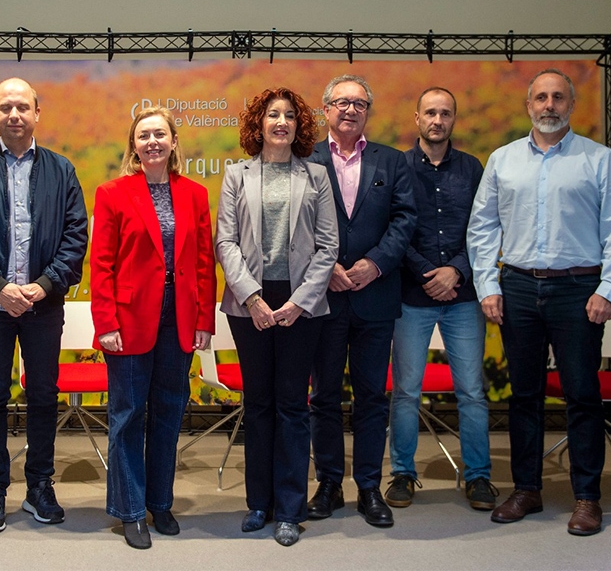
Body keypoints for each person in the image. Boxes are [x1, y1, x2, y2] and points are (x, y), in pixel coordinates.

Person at [467, 68, 611, 537]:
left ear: (570, 105)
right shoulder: (502, 160)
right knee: (524, 395)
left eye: (557, 97)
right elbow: (483, 228)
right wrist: (488, 285)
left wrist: (610, 290)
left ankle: (587, 498)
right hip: (518, 287)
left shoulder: (599, 160)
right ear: (528, 105)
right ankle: (527, 490)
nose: (548, 105)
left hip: (579, 291)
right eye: (540, 97)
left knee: (582, 393)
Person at [0, 77, 88, 535]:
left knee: (44, 395)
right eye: (5, 107)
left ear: (37, 113)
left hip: (44, 305)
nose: (14, 114)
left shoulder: (61, 170)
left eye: (23, 106)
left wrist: (43, 286)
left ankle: (40, 486)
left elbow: (74, 237)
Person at [90, 107, 217, 549]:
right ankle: (129, 511)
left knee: (168, 413)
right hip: (127, 322)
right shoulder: (112, 193)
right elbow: (101, 264)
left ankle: (160, 503)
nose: (152, 142)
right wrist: (105, 322)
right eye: (143, 135)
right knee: (127, 417)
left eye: (159, 134)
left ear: (173, 141)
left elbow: (204, 263)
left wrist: (204, 320)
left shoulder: (196, 195)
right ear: (134, 145)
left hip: (178, 321)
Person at [216, 87, 338, 547]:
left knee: (291, 404)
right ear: (259, 123)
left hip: (299, 304)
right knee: (259, 403)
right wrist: (251, 298)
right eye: (272, 115)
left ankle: (289, 508)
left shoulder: (317, 176)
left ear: (299, 125)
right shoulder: (236, 175)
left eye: (289, 115)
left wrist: (300, 301)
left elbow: (328, 246)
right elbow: (225, 242)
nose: (281, 122)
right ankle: (259, 504)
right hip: (250, 303)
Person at [306, 75, 415, 528]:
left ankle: (369, 486)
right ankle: (329, 483)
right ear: (325, 109)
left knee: (372, 397)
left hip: (375, 297)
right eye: (341, 102)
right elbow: (295, 220)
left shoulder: (391, 160)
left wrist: (376, 264)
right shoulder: (305, 157)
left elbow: (406, 219)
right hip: (324, 298)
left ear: (368, 111)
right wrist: (323, 267)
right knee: (324, 396)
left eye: (359, 103)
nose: (350, 110)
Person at [388, 87, 495, 510]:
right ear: (417, 118)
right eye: (430, 112)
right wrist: (426, 272)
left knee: (471, 391)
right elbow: (393, 226)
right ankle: (402, 474)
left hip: (463, 297)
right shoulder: (397, 167)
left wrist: (457, 270)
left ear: (454, 119)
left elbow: (485, 228)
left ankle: (479, 477)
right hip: (412, 296)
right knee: (406, 391)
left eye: (445, 113)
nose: (437, 120)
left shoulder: (472, 168)